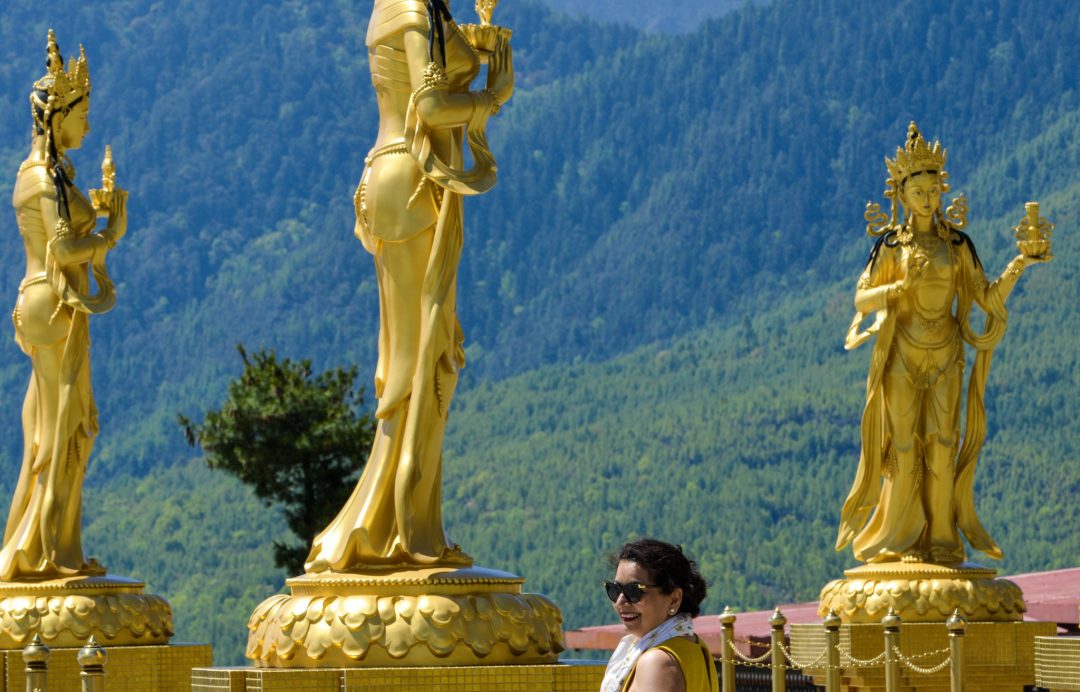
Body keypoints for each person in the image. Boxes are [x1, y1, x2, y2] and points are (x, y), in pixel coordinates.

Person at [305, 0, 513, 571]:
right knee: (419, 359)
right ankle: (390, 526)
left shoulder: (407, 8)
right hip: (410, 179)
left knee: (428, 351)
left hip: (397, 176)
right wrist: (491, 96)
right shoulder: (412, 8)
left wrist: (475, 53)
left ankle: (414, 519)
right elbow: (431, 104)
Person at [836, 122, 1049, 565]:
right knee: (905, 447)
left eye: (934, 190)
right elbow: (861, 297)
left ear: (942, 192)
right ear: (902, 194)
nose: (928, 199)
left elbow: (985, 297)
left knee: (943, 443)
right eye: (919, 191)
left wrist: (1020, 264)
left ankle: (942, 539)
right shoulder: (891, 246)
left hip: (947, 352)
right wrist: (896, 290)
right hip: (902, 355)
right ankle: (900, 539)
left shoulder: (957, 245)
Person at [0, 31, 126, 580]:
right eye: (82, 114)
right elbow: (61, 249)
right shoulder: (39, 178)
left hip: (50, 303)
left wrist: (96, 223)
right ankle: (43, 551)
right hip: (53, 302)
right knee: (66, 424)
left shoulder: (52, 175)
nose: (87, 127)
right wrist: (109, 236)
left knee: (54, 424)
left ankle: (58, 544)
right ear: (58, 117)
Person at [601, 539, 719, 692]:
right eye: (615, 589)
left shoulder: (657, 662)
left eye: (634, 590)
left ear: (674, 599)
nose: (620, 601)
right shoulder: (695, 646)